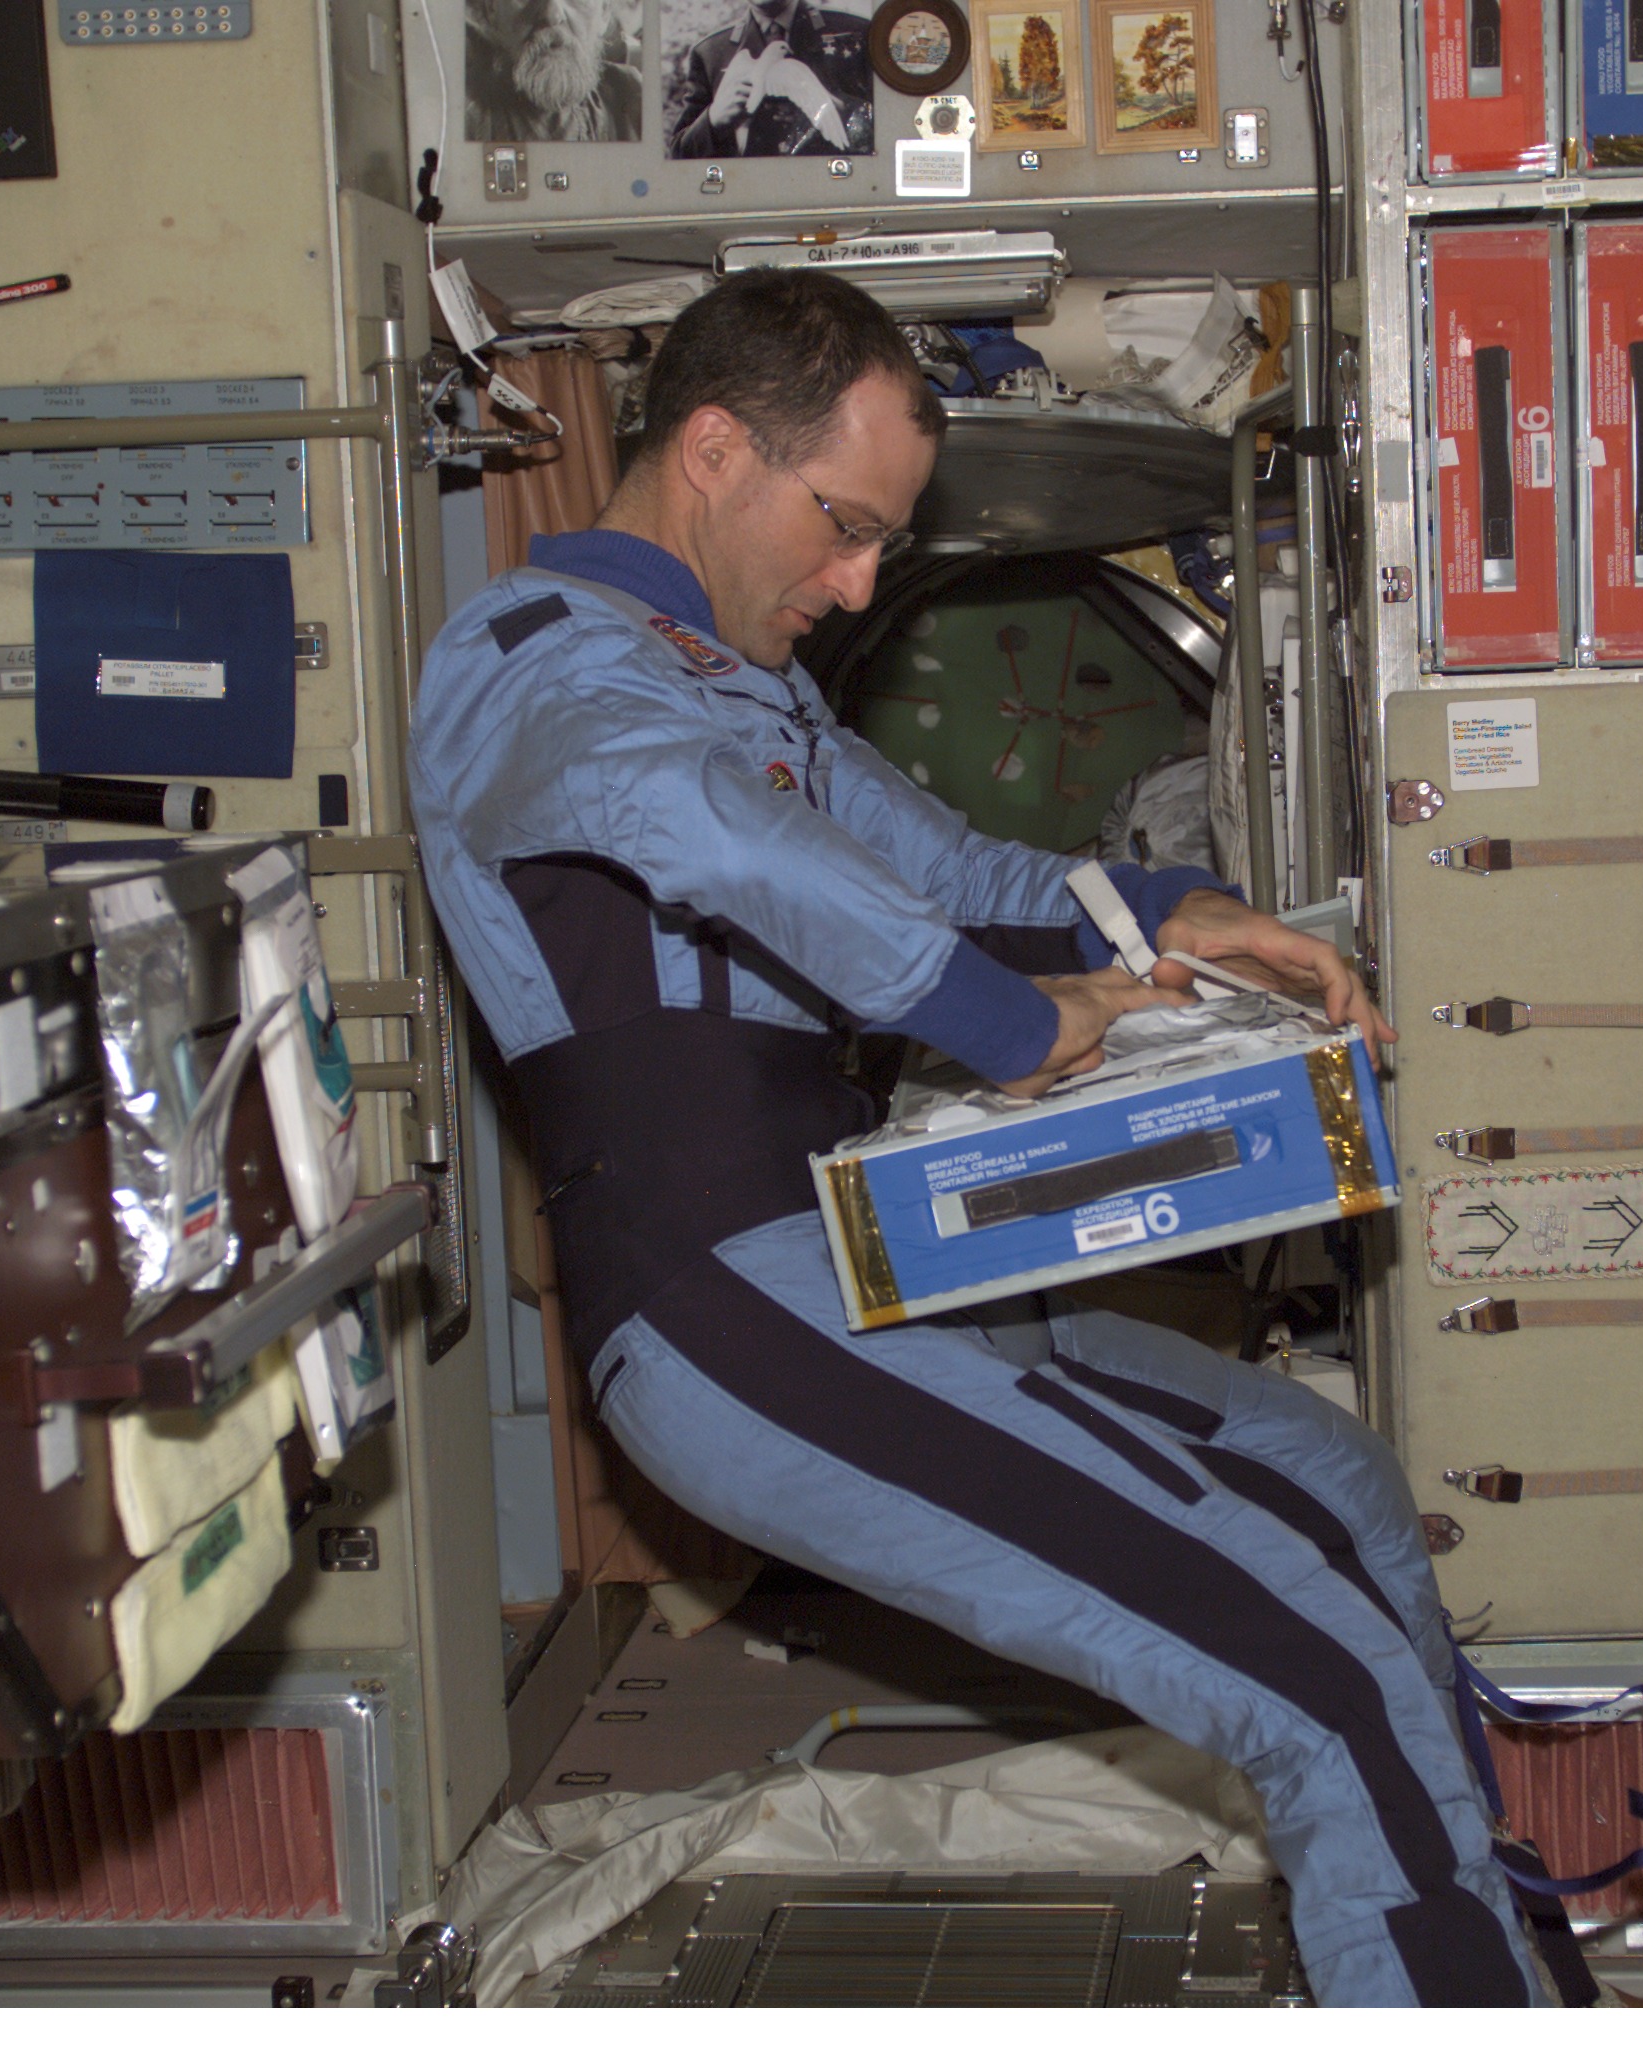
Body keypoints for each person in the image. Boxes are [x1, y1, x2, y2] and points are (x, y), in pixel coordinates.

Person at [411, 270, 1551, 2008]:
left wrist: (1190, 914)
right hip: (727, 1305)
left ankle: (1444, 1928)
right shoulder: (531, 659)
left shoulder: (737, 687)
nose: (861, 583)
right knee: (1299, 1659)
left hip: (862, 1259)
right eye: (845, 527)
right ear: (713, 448)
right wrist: (1016, 1028)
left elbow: (960, 877)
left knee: (1332, 1486)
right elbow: (706, 833)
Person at [662, 0, 874, 158]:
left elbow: (891, 125)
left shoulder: (857, 32)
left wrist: (839, 108)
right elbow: (679, 156)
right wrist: (712, 120)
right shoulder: (710, 52)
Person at [468, 0, 642, 144]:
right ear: (492, 8)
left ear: (604, 12)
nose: (552, 14)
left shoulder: (632, 98)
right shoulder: (457, 119)